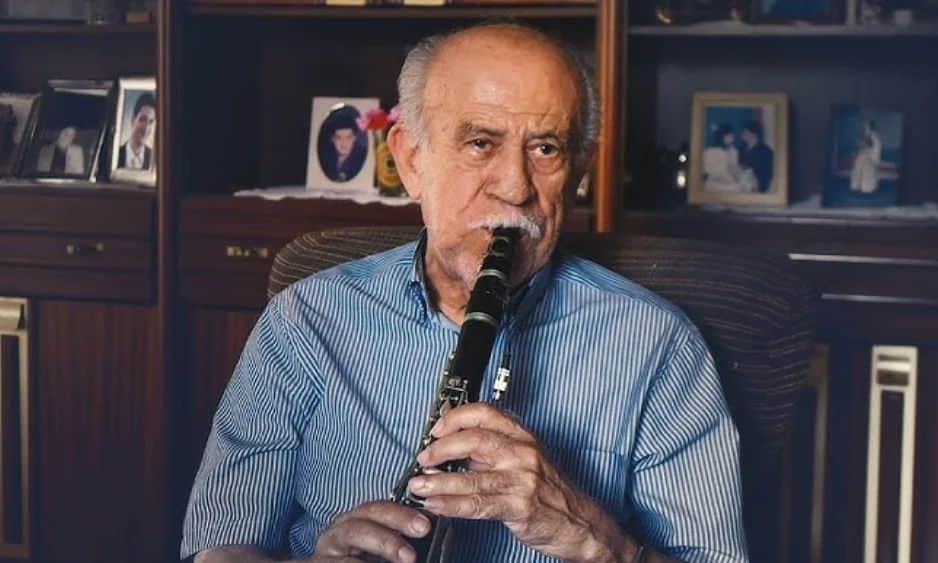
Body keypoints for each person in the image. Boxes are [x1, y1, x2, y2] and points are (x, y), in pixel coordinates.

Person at [182, 23, 748, 563]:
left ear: (579, 172)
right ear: (410, 159)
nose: (516, 188)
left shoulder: (658, 345)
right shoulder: (304, 320)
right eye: (480, 143)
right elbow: (221, 544)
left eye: (545, 149)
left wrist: (595, 538)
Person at [318, 105, 367, 182]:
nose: (344, 143)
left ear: (354, 138)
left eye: (348, 137)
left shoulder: (360, 160)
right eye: (339, 138)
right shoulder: (326, 159)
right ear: (332, 139)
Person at [702, 123, 745, 192]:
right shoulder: (709, 152)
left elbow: (734, 169)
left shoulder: (734, 151)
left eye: (732, 135)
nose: (731, 138)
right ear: (721, 136)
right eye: (728, 136)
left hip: (730, 183)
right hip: (714, 184)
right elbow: (708, 171)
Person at [118, 92, 156, 170]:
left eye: (151, 122)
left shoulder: (155, 159)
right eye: (142, 120)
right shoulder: (115, 155)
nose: (146, 128)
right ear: (133, 120)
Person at [738, 120, 774, 193]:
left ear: (754, 134)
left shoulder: (766, 152)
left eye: (745, 132)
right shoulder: (740, 149)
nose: (742, 134)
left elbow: (767, 176)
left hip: (757, 189)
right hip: (740, 186)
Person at [850, 120, 881, 193]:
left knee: (867, 172)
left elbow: (873, 146)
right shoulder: (866, 135)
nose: (865, 128)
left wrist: (865, 148)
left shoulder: (873, 136)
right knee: (858, 170)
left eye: (866, 127)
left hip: (869, 157)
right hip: (863, 155)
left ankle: (867, 188)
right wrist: (858, 150)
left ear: (870, 127)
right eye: (865, 127)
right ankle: (858, 187)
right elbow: (863, 146)